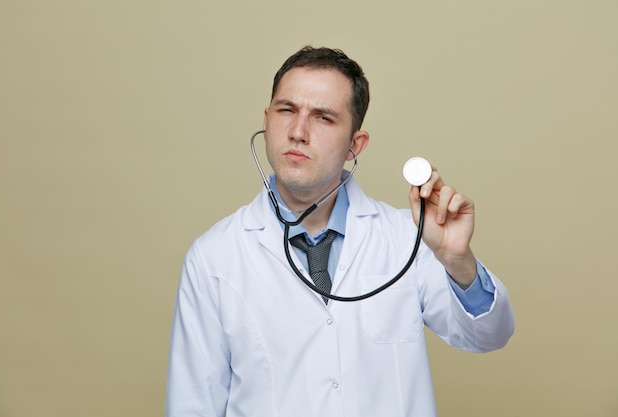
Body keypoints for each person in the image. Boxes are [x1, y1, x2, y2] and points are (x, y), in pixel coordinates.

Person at [166, 46, 515, 417]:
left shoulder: (406, 238)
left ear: (355, 145)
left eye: (323, 118)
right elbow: (193, 403)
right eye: (287, 110)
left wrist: (457, 261)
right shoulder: (214, 256)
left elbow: (488, 336)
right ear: (266, 121)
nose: (298, 132)